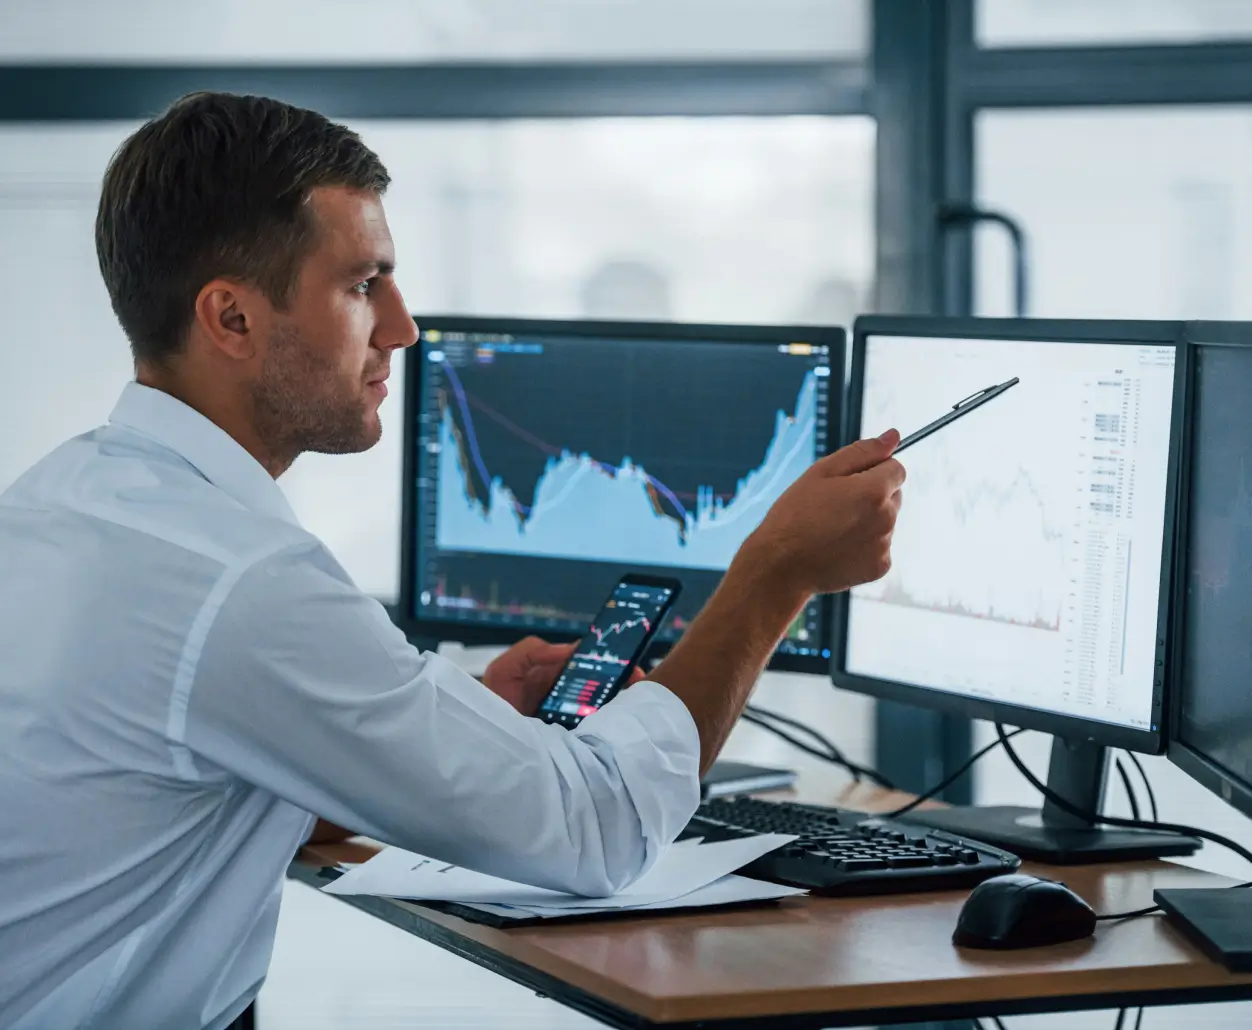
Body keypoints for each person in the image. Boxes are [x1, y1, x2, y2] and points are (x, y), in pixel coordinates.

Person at [0, 92, 904, 1030]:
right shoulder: (240, 581)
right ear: (230, 318)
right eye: (363, 285)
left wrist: (453, 722)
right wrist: (775, 574)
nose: (403, 328)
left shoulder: (61, 500)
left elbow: (142, 793)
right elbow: (599, 829)